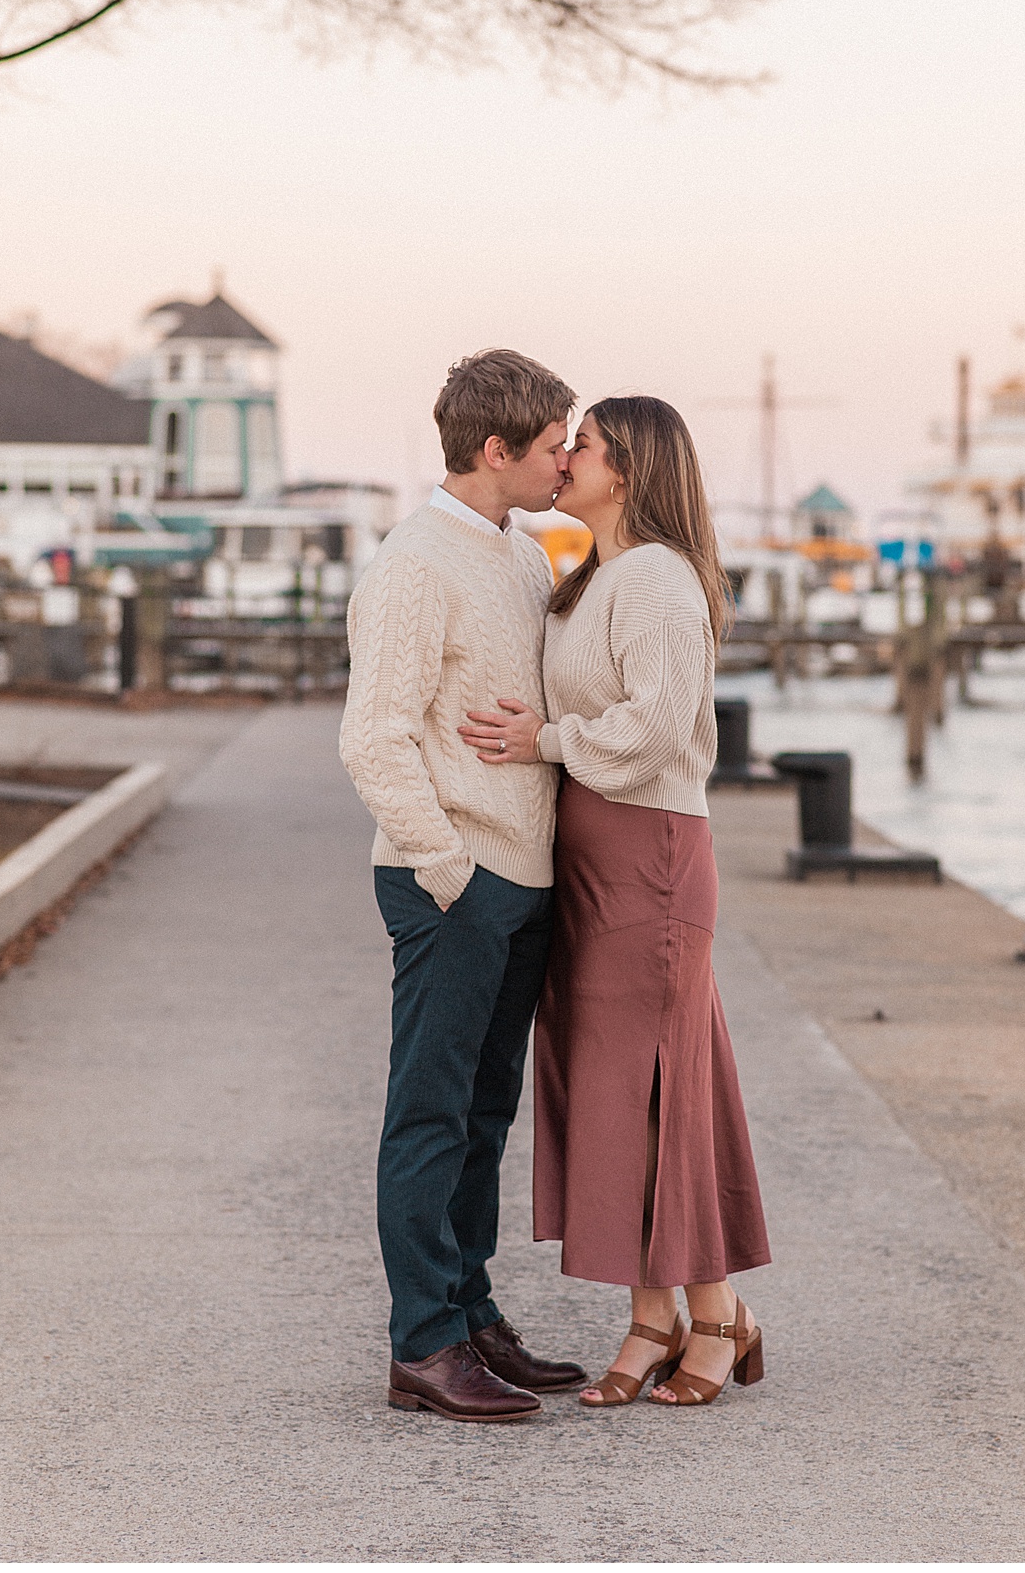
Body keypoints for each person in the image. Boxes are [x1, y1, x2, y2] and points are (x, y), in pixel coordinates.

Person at [459, 394, 771, 1408]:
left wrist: (542, 741)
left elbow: (653, 726)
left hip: (651, 857)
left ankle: (707, 1313)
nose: (565, 457)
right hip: (594, 862)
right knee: (616, 1087)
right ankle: (657, 1312)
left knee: (655, 1088)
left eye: (582, 444)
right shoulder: (585, 576)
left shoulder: (659, 581)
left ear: (630, 467)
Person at [338, 348, 587, 1424]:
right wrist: (449, 869)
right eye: (550, 445)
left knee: (487, 1115)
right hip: (455, 882)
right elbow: (373, 740)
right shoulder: (411, 567)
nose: (566, 461)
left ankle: (471, 1309)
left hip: (519, 880)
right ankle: (424, 1345)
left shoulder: (525, 556)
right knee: (431, 1116)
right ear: (497, 451)